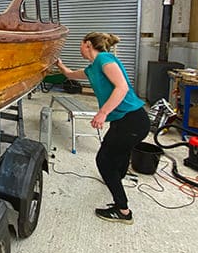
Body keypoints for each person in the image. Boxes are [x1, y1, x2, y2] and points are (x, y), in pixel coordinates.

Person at [55, 32, 149, 225]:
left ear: (87, 44)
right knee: (119, 155)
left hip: (132, 120)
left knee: (104, 161)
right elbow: (71, 74)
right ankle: (116, 180)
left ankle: (123, 210)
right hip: (126, 121)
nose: (79, 47)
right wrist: (59, 65)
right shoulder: (92, 68)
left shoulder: (104, 59)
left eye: (80, 44)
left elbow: (121, 87)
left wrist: (103, 112)